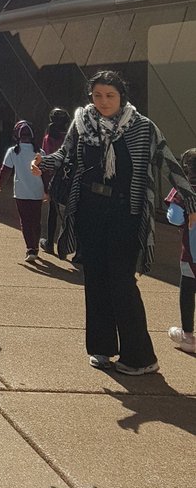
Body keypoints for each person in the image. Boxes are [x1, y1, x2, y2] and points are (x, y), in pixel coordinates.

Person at [33, 70, 196, 374]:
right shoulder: (81, 124)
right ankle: (102, 348)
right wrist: (42, 162)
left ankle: (141, 358)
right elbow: (64, 156)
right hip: (89, 211)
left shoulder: (143, 127)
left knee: (122, 282)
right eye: (97, 95)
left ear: (122, 96)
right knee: (94, 279)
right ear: (90, 97)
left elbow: (168, 163)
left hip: (126, 213)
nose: (103, 101)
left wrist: (190, 200)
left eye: (110, 95)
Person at [0, 120, 45, 262]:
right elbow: (46, 173)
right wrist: (47, 190)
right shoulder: (40, 152)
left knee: (25, 221)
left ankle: (30, 248)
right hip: (37, 192)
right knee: (36, 220)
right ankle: (35, 247)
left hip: (21, 192)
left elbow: (6, 170)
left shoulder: (13, 152)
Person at [165, 147, 196, 355]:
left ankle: (187, 335)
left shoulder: (183, 190)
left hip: (192, 251)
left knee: (187, 290)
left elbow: (175, 217)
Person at [39, 107, 71, 254]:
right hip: (69, 178)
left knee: (53, 211)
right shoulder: (71, 137)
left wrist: (45, 187)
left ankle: (50, 243)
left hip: (54, 179)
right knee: (70, 213)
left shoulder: (48, 138)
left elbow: (46, 160)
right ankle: (69, 245)